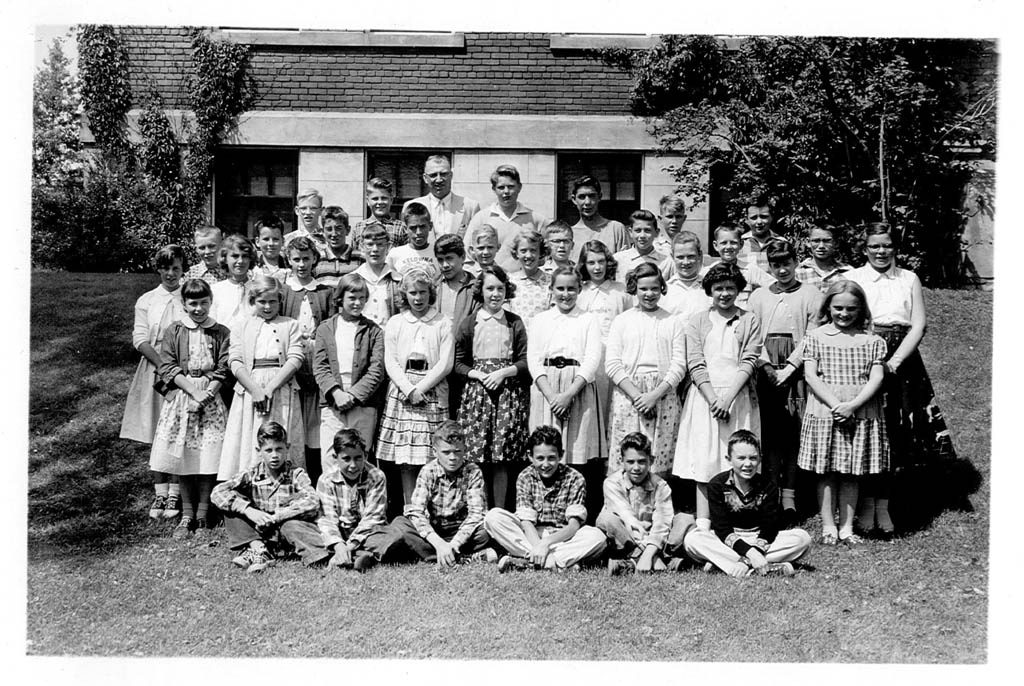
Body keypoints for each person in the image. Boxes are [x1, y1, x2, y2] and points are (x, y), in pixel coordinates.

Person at [847, 222, 954, 537]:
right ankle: (866, 503)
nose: (881, 252)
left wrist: (894, 361)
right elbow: (848, 319)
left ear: (895, 247)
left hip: (902, 359)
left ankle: (884, 503)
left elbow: (918, 325)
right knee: (869, 428)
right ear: (865, 249)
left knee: (897, 429)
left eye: (887, 245)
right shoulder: (854, 278)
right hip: (865, 353)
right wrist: (872, 359)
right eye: (874, 246)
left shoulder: (909, 278)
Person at [797, 280, 889, 545]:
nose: (844, 314)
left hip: (860, 411)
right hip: (825, 411)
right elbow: (811, 376)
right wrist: (836, 405)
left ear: (861, 309)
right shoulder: (815, 337)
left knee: (851, 471)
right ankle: (829, 526)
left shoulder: (872, 341)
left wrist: (853, 405)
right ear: (828, 307)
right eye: (838, 308)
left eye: (851, 309)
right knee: (826, 471)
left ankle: (847, 527)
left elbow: (876, 377)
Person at [673, 262, 762, 532]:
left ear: (739, 290)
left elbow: (749, 360)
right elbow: (696, 363)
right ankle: (704, 522)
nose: (724, 294)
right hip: (705, 398)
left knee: (740, 457)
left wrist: (728, 398)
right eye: (718, 288)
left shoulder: (749, 319)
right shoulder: (698, 320)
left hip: (738, 397)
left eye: (730, 288)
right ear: (710, 291)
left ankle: (738, 520)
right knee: (705, 458)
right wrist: (714, 399)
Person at [746, 239, 823, 523]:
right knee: (769, 433)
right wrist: (767, 366)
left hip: (797, 366)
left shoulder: (811, 293)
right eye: (775, 265)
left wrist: (790, 367)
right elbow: (753, 334)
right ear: (769, 266)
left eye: (786, 264)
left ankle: (790, 495)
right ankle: (770, 493)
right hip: (765, 365)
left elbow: (813, 334)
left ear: (796, 263)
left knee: (792, 433)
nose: (782, 270)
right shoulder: (759, 296)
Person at [150, 278, 230, 539]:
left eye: (203, 303)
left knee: (207, 458)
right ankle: (187, 513)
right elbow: (167, 366)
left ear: (211, 302)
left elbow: (224, 367)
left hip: (210, 398)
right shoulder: (174, 330)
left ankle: (203, 512)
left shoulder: (221, 332)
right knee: (183, 458)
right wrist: (193, 392)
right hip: (183, 397)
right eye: (193, 304)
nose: (198, 309)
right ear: (184, 304)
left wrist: (208, 393)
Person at [453, 265, 530, 510]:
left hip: (507, 394)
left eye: (500, 289)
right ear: (481, 291)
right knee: (478, 455)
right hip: (478, 395)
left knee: (501, 457)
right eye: (490, 289)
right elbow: (458, 363)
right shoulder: (470, 322)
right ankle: (479, 511)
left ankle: (500, 512)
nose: (495, 294)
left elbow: (525, 360)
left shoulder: (514, 322)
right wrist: (478, 375)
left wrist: (503, 373)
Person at [683, 430, 811, 576]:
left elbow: (769, 528)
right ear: (729, 459)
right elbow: (722, 529)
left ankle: (730, 564)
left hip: (758, 538)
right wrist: (751, 554)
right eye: (741, 458)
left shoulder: (768, 486)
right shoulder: (717, 485)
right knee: (693, 539)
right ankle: (761, 567)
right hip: (728, 540)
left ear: (760, 459)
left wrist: (753, 552)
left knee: (802, 539)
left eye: (753, 458)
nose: (748, 464)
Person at [377, 269, 455, 507]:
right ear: (405, 295)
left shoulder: (442, 322)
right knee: (406, 458)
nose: (418, 298)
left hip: (432, 387)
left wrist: (422, 387)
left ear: (430, 293)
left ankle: (431, 508)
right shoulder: (396, 322)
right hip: (404, 390)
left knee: (431, 455)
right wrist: (409, 390)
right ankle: (410, 508)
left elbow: (445, 363)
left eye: (422, 292)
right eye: (413, 293)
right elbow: (390, 361)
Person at [121, 245, 187, 520]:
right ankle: (160, 491)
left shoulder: (188, 296)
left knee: (179, 428)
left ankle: (176, 492)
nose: (171, 273)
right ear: (158, 269)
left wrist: (177, 369)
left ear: (183, 269)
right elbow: (140, 338)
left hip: (183, 368)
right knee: (158, 429)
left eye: (176, 268)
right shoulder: (147, 300)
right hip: (154, 368)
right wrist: (162, 366)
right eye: (166, 268)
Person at [218, 275, 305, 480]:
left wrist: (270, 388)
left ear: (280, 300)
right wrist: (256, 390)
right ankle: (249, 484)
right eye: (262, 301)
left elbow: (295, 358)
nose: (267, 307)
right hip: (250, 388)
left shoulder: (290, 325)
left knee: (280, 435)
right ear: (252, 301)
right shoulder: (241, 325)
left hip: (281, 387)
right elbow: (235, 360)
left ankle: (285, 484)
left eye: (272, 301)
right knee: (251, 438)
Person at [484, 426, 607, 572]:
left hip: (563, 538)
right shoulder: (525, 477)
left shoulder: (574, 478)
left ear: (561, 455)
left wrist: (546, 544)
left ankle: (528, 561)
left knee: (597, 537)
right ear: (530, 456)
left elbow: (574, 526)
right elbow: (526, 522)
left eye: (551, 458)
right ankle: (553, 562)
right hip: (531, 537)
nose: (546, 464)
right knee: (493, 517)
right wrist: (539, 546)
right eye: (540, 458)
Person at [212, 421, 330, 573]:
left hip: (285, 531)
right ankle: (259, 548)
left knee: (291, 526)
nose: (274, 455)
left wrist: (277, 517)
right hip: (259, 530)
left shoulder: (296, 474)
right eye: (268, 450)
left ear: (287, 448)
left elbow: (313, 501)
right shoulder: (251, 473)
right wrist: (248, 510)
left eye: (279, 449)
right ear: (259, 451)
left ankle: (259, 552)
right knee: (231, 504)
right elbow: (217, 492)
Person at [605, 263, 686, 477]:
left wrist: (654, 395)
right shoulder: (622, 321)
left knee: (658, 455)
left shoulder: (672, 321)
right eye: (643, 289)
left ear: (662, 289)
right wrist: (637, 396)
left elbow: (679, 364)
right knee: (628, 453)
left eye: (654, 288)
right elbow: (612, 364)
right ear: (635, 288)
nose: (649, 294)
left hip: (662, 394)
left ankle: (658, 497)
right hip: (629, 395)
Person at [527, 267, 606, 473]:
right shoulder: (540, 320)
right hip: (547, 388)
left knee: (577, 446)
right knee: (546, 446)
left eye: (571, 288)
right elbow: (533, 360)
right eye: (560, 288)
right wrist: (552, 396)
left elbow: (592, 359)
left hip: (577, 387)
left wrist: (568, 395)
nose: (565, 294)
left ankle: (575, 489)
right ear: (551, 289)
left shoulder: (588, 319)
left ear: (579, 289)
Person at [385, 420, 493, 567]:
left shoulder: (473, 471)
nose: (452, 458)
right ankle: (461, 557)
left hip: (462, 531)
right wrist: (439, 543)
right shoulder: (428, 471)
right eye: (446, 452)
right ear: (435, 452)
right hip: (434, 531)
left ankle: (441, 555)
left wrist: (455, 543)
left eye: (457, 452)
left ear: (465, 450)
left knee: (486, 530)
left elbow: (477, 513)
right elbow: (416, 512)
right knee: (401, 525)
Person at [312, 273, 386, 478]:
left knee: (359, 456)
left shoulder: (373, 331)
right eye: (352, 298)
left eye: (362, 298)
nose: (357, 303)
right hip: (333, 401)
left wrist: (353, 395)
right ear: (340, 298)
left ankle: (360, 496)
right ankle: (331, 496)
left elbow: (377, 369)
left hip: (362, 402)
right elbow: (320, 366)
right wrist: (336, 393)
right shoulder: (325, 328)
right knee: (330, 456)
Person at [280, 236, 335, 486]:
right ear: (289, 260)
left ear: (314, 259)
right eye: (296, 259)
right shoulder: (284, 291)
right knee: (293, 420)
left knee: (315, 423)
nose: (301, 264)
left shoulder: (324, 292)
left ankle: (315, 477)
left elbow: (330, 327)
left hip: (316, 358)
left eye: (306, 259)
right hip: (291, 358)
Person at [597, 432, 679, 575]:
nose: (636, 468)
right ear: (621, 461)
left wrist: (649, 552)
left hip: (655, 541)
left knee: (684, 520)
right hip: (625, 540)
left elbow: (662, 523)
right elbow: (628, 520)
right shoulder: (612, 483)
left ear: (651, 461)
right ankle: (657, 561)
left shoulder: (661, 485)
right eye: (630, 462)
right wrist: (650, 556)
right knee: (606, 519)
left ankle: (633, 563)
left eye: (641, 462)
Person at [316, 429, 395, 572]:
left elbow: (373, 518)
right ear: (335, 457)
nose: (353, 465)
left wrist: (349, 546)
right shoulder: (326, 479)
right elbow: (327, 519)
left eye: (358, 458)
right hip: (339, 532)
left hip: (368, 534)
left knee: (393, 535)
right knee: (301, 528)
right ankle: (357, 556)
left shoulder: (376, 476)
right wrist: (338, 545)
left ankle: (346, 556)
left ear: (365, 455)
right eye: (346, 459)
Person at [465, 164, 548, 271]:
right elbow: (467, 256)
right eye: (501, 187)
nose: (506, 192)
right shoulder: (480, 218)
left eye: (511, 187)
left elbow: (550, 256)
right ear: (494, 189)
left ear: (519, 187)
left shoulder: (536, 219)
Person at [402, 154, 481, 239]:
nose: (439, 180)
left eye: (443, 174)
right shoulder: (411, 206)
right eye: (433, 175)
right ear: (425, 178)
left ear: (451, 175)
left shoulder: (470, 207)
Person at [707, 222, 775, 309]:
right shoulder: (709, 271)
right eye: (724, 243)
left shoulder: (750, 269)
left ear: (741, 244)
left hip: (743, 316)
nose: (728, 247)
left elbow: (774, 286)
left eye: (733, 243)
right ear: (716, 245)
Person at [568, 175, 630, 264]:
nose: (587, 202)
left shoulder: (616, 229)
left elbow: (625, 265)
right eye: (582, 197)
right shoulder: (569, 234)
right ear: (574, 199)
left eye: (592, 196)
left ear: (599, 197)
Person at [351, 222, 402, 327]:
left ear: (388, 247)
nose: (375, 249)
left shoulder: (398, 281)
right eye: (370, 244)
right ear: (361, 246)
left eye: (380, 244)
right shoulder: (352, 279)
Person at [660, 231, 711, 327]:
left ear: (699, 255)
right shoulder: (664, 291)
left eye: (691, 256)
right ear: (672, 256)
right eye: (680, 257)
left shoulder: (710, 288)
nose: (686, 262)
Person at [506, 228, 552, 330]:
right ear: (516, 253)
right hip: (517, 335)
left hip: (542, 334)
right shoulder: (510, 281)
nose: (528, 255)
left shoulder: (550, 281)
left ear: (541, 253)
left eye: (533, 250)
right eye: (523, 251)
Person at [612, 209, 673, 283]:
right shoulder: (618, 260)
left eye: (647, 230)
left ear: (656, 233)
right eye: (638, 230)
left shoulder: (667, 262)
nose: (642, 236)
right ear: (630, 232)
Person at [210, 234, 257, 328]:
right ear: (225, 258)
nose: (240, 261)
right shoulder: (215, 290)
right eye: (235, 256)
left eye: (245, 256)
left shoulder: (258, 288)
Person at [350, 178, 408, 254]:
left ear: (391, 200)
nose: (380, 202)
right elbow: (355, 255)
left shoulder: (401, 227)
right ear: (367, 201)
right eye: (375, 199)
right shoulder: (359, 227)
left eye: (384, 198)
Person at [313, 206, 363, 288]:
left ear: (348, 230)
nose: (334, 234)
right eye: (329, 229)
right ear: (322, 231)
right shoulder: (317, 260)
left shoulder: (360, 258)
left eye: (338, 228)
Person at [389, 201, 441, 280]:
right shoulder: (395, 254)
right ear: (405, 228)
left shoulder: (438, 253)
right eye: (413, 228)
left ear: (430, 226)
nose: (418, 232)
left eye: (422, 227)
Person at [796, 224, 851, 294]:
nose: (821, 246)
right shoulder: (798, 272)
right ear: (808, 242)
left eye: (827, 241)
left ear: (836, 243)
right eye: (816, 241)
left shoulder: (848, 272)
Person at [737, 196, 784, 271]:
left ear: (771, 217)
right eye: (754, 218)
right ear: (747, 220)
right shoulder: (739, 244)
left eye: (763, 217)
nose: (759, 222)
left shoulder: (782, 243)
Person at [284, 188, 328, 255]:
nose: (308, 212)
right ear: (297, 210)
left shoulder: (329, 239)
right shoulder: (287, 240)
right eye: (303, 208)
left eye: (313, 208)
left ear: (321, 211)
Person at [253, 213, 289, 280]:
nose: (271, 243)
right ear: (257, 241)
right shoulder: (251, 270)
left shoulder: (291, 269)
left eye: (275, 239)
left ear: (283, 241)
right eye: (266, 239)